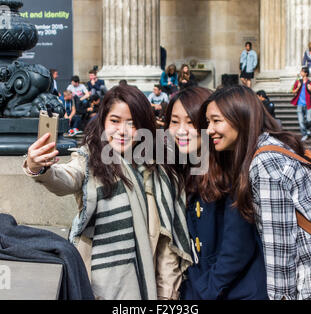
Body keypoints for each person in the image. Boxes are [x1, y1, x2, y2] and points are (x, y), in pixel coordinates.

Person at [23, 85, 192, 300]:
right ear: (103, 121)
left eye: (132, 123)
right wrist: (38, 166)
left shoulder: (161, 170)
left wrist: (167, 296)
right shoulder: (89, 159)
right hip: (95, 286)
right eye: (115, 121)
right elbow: (65, 178)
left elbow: (167, 249)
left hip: (146, 287)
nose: (122, 130)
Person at [202, 85, 311, 300]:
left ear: (240, 116)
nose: (209, 130)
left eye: (216, 121)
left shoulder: (263, 162)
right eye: (208, 122)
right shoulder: (272, 145)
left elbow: (280, 252)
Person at [164, 87, 269, 300]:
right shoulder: (183, 168)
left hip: (237, 291)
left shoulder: (231, 170)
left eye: (191, 122)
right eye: (174, 122)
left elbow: (236, 248)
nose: (181, 130)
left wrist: (206, 291)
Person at [291, 66, 311, 141]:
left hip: (308, 104)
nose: (300, 73)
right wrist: (298, 87)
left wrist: (310, 89)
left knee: (309, 120)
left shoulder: (310, 82)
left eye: (302, 71)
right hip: (300, 104)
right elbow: (293, 91)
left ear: (306, 73)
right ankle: (305, 134)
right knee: (301, 121)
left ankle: (307, 130)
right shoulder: (298, 82)